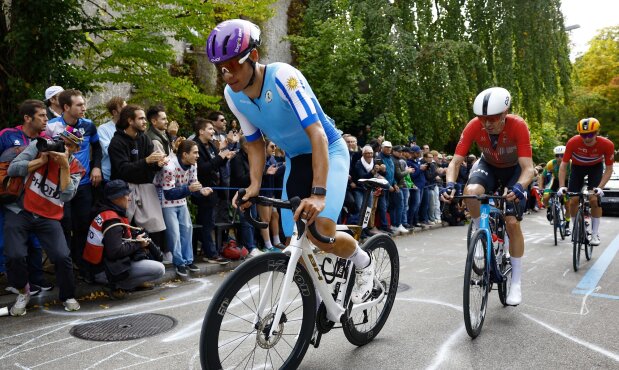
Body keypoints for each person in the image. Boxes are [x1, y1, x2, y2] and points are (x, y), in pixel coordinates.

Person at [206, 19, 375, 304]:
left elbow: (317, 133)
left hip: (329, 150)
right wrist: (255, 184)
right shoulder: (232, 94)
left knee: (321, 232)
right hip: (297, 160)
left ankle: (363, 262)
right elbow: (255, 142)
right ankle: (316, 300)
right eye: (220, 68)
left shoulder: (285, 77)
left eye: (233, 65)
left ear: (254, 57)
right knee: (291, 240)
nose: (227, 74)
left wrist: (319, 194)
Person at [442, 87, 535, 306]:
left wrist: (521, 186)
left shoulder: (518, 125)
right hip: (488, 166)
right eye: (482, 118)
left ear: (505, 113)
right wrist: (449, 185)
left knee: (512, 222)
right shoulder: (475, 126)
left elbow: (528, 168)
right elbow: (455, 162)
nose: (487, 123)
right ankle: (481, 233)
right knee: (471, 193)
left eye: (492, 118)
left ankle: (516, 283)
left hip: (514, 170)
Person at [5, 129, 86, 315]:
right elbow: (12, 169)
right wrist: (40, 161)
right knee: (14, 255)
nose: (63, 147)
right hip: (21, 210)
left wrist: (64, 166)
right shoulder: (39, 146)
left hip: (49, 216)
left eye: (69, 145)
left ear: (76, 148)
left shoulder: (76, 166)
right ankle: (23, 291)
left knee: (62, 256)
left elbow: (67, 196)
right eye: (62, 142)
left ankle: (67, 296)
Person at [46, 89, 103, 280]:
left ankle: (84, 267)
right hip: (62, 184)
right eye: (79, 105)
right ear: (66, 107)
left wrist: (96, 167)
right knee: (64, 224)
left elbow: (97, 147)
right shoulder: (51, 126)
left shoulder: (88, 125)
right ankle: (66, 268)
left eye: (84, 104)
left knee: (83, 225)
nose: (83, 108)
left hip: (85, 183)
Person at [0, 100, 53, 292]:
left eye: (46, 115)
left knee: (36, 242)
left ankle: (37, 280)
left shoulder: (46, 139)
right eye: (42, 115)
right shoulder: (7, 135)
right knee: (11, 243)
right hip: (10, 200)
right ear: (27, 118)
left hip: (36, 199)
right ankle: (16, 283)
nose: (46, 119)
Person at [109, 104, 169, 262]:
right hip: (125, 189)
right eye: (141, 118)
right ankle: (130, 262)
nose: (145, 122)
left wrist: (158, 163)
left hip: (146, 187)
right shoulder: (116, 142)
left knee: (154, 225)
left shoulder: (144, 138)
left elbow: (151, 163)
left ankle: (153, 260)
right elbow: (122, 169)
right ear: (130, 120)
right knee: (127, 226)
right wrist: (147, 161)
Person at [85, 180, 165, 299]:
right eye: (126, 195)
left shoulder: (106, 211)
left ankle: (125, 283)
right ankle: (118, 285)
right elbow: (114, 252)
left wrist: (136, 238)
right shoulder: (111, 220)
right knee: (159, 269)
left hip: (102, 267)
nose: (129, 198)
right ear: (116, 198)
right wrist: (139, 244)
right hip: (104, 272)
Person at [155, 140, 212, 277]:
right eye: (195, 152)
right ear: (185, 154)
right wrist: (189, 189)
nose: (198, 155)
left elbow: (193, 184)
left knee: (187, 229)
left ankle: (188, 260)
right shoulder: (169, 166)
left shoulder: (193, 165)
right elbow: (169, 194)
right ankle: (179, 263)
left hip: (181, 200)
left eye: (198, 152)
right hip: (166, 202)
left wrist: (200, 191)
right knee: (174, 233)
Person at [558, 118, 615, 246]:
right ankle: (576, 229)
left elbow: (609, 169)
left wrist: (600, 187)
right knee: (573, 200)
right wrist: (562, 187)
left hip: (595, 168)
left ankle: (595, 234)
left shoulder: (607, 144)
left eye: (590, 134)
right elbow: (563, 166)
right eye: (583, 135)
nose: (587, 138)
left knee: (594, 199)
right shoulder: (573, 142)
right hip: (577, 169)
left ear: (597, 132)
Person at [192, 118, 235, 263]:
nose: (213, 132)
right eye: (210, 129)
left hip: (214, 189)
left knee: (207, 221)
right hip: (202, 189)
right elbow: (202, 168)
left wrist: (225, 158)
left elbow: (216, 164)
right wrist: (219, 158)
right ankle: (211, 254)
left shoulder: (211, 145)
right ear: (201, 131)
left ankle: (207, 250)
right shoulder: (196, 146)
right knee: (207, 222)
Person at [541, 145, 571, 234]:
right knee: (545, 197)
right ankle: (549, 209)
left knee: (567, 204)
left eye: (562, 155)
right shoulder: (551, 163)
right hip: (555, 181)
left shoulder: (571, 163)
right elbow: (542, 176)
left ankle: (567, 226)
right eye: (557, 155)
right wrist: (540, 188)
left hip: (568, 182)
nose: (559, 158)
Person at [98, 97, 127, 183]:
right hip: (110, 175)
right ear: (114, 112)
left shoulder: (130, 127)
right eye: (124, 108)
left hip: (127, 174)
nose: (128, 111)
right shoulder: (103, 129)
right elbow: (108, 150)